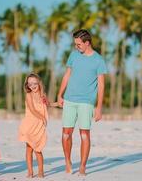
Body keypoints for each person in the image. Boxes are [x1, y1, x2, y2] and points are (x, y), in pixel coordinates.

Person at [57, 29, 107, 175]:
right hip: (69, 99)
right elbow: (67, 75)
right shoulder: (73, 55)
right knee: (66, 133)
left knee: (84, 134)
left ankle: (83, 166)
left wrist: (99, 107)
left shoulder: (99, 60)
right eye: (75, 44)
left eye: (78, 44)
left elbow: (101, 85)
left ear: (87, 43)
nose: (76, 47)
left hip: (86, 102)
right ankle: (67, 161)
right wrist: (60, 94)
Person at [18, 73, 57, 178]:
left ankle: (41, 171)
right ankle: (30, 172)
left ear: (39, 83)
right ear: (27, 85)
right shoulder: (28, 95)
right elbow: (32, 109)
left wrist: (58, 104)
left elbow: (48, 104)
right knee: (29, 149)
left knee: (38, 149)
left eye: (35, 83)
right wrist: (42, 117)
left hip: (39, 126)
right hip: (30, 125)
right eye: (30, 83)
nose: (32, 86)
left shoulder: (42, 95)